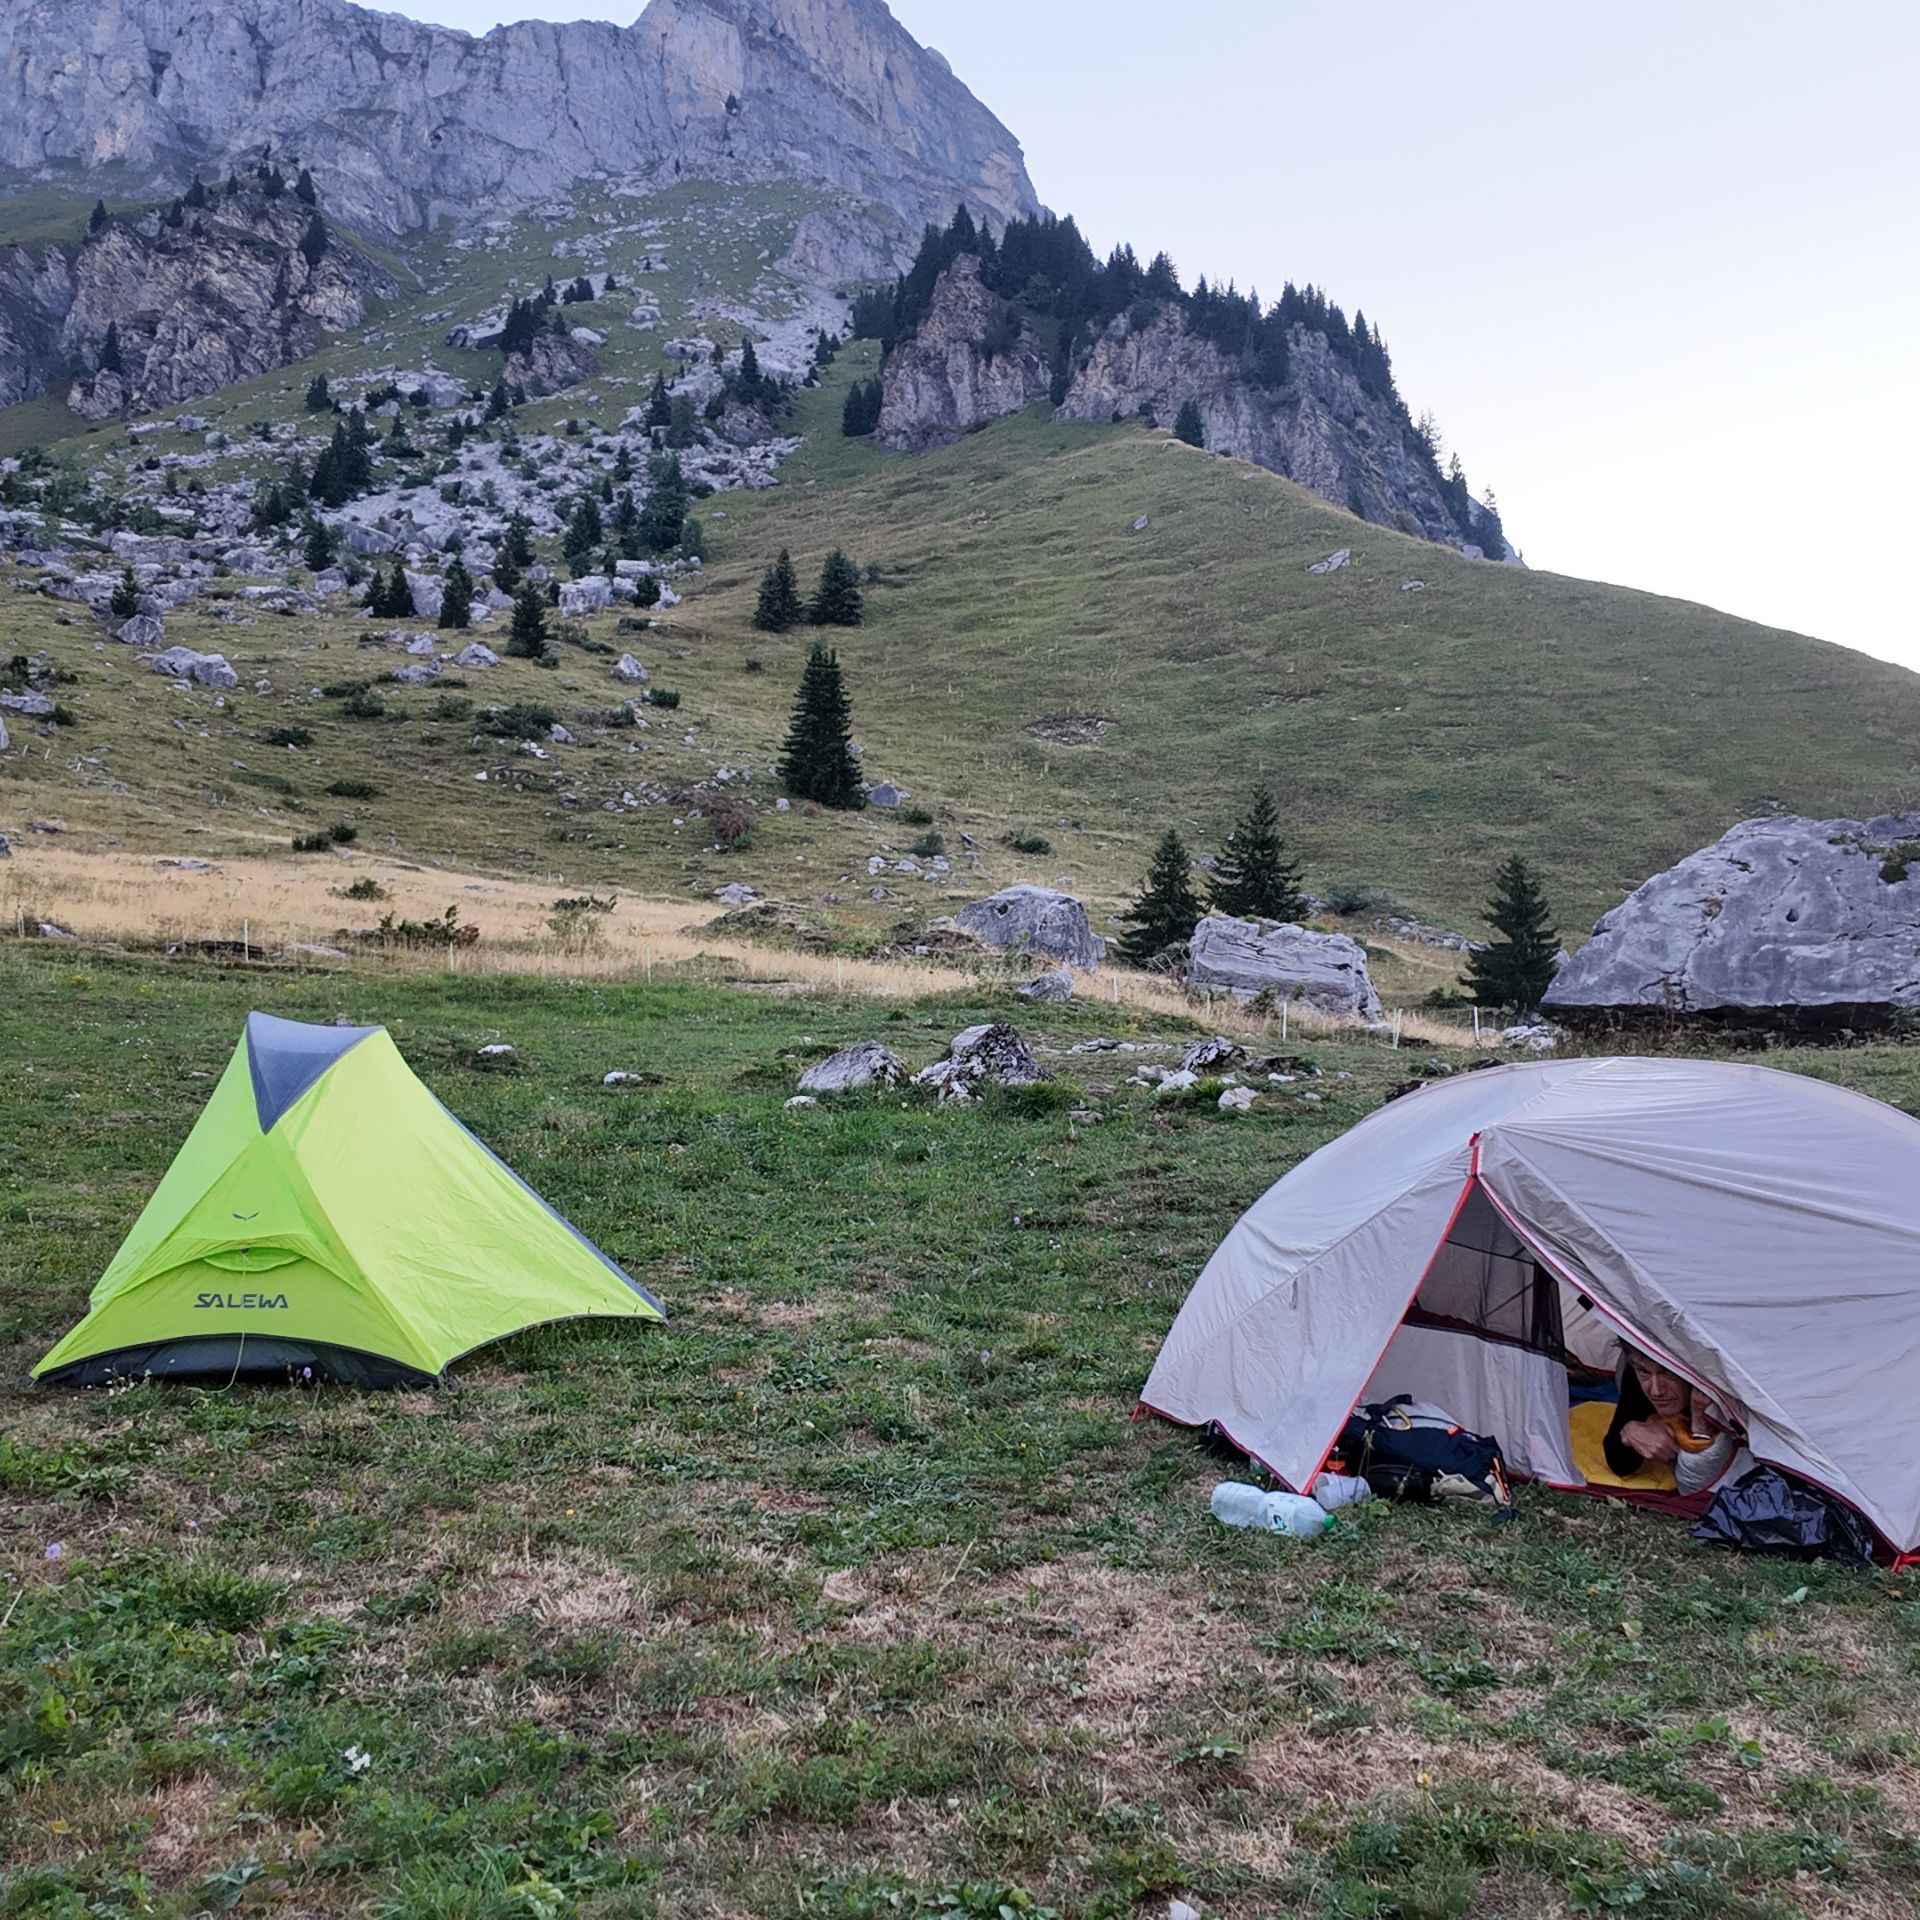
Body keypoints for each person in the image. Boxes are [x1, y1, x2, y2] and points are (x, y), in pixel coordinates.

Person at [1605, 1347, 1739, 1494]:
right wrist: (1630, 1431)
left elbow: (1703, 1490)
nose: (1656, 1391)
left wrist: (1700, 1424)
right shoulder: (1636, 1380)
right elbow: (1619, 1463)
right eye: (1644, 1372)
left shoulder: (1725, 1383)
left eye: (1668, 1373)